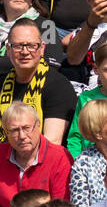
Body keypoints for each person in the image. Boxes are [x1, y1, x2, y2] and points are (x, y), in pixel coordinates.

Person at [0, 18, 76, 146]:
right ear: (8, 49)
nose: (25, 52)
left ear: (42, 49)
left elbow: (52, 143)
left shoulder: (58, 86)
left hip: (39, 160)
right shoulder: (2, 82)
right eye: (18, 46)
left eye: (31, 46)